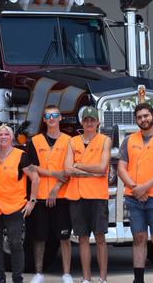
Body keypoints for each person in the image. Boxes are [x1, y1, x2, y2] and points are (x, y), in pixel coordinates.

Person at [117, 103, 153, 283]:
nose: (143, 119)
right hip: (134, 198)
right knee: (138, 238)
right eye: (140, 117)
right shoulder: (128, 140)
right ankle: (138, 280)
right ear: (136, 120)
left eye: (146, 115)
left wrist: (144, 188)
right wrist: (136, 188)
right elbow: (121, 168)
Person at [64, 106, 112, 283]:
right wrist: (90, 172)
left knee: (100, 237)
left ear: (98, 122)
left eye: (92, 120)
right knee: (83, 238)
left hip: (98, 196)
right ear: (81, 122)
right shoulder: (73, 141)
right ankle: (86, 279)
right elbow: (68, 169)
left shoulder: (105, 140)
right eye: (86, 120)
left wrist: (78, 165)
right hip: (77, 196)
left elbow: (102, 167)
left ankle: (102, 279)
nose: (89, 123)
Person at [0, 124, 40, 283]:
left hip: (15, 206)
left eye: (6, 134)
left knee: (15, 243)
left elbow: (35, 178)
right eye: (0, 134)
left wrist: (32, 201)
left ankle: (17, 278)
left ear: (11, 137)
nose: (3, 137)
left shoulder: (21, 155)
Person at [27, 105, 73, 283]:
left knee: (64, 236)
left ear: (60, 118)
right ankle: (39, 274)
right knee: (39, 237)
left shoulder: (69, 141)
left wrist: (55, 189)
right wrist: (53, 174)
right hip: (39, 196)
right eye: (48, 116)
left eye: (55, 115)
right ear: (44, 120)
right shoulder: (36, 141)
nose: (51, 118)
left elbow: (68, 171)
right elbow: (31, 167)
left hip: (61, 196)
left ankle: (67, 274)